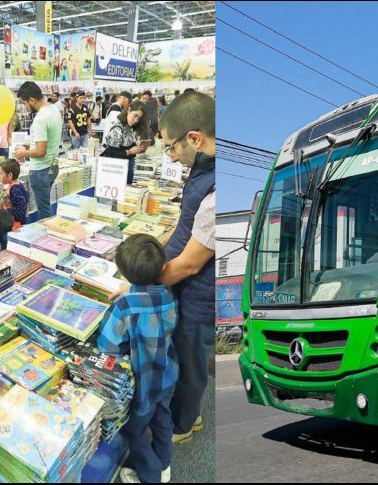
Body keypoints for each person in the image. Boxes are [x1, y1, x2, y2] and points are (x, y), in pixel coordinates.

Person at [158, 92, 216, 444]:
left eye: (171, 147)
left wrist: (141, 278)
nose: (171, 156)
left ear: (193, 138)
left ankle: (183, 426)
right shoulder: (203, 166)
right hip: (185, 287)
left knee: (191, 363)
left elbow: (191, 264)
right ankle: (187, 413)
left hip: (199, 295)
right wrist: (156, 245)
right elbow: (185, 222)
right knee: (184, 353)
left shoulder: (216, 187)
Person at [98, 234, 178, 484]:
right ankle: (164, 464)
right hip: (167, 375)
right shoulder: (169, 296)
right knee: (163, 420)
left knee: (133, 429)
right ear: (163, 268)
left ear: (122, 273)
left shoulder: (124, 306)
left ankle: (151, 474)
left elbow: (107, 345)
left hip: (142, 385)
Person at [13, 81, 62, 220]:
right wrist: (30, 145)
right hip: (52, 166)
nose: (25, 107)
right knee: (46, 204)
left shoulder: (40, 118)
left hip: (40, 170)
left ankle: (49, 232)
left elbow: (41, 152)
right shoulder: (54, 110)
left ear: (32, 100)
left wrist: (22, 153)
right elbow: (48, 140)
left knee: (44, 210)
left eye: (24, 103)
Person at [101, 101, 149, 185]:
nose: (136, 120)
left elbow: (127, 143)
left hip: (126, 167)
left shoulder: (129, 127)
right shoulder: (118, 129)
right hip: (117, 170)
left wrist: (137, 146)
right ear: (129, 110)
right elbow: (111, 153)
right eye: (135, 115)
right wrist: (130, 151)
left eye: (138, 118)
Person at [0, 158, 28, 250]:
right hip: (13, 224)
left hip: (14, 226)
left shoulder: (15, 189)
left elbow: (21, 210)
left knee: (10, 247)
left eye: (1, 174)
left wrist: (6, 210)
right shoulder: (16, 185)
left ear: (10, 175)